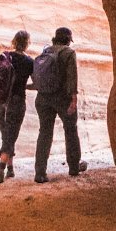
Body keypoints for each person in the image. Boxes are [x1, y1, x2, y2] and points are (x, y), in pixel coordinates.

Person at [32, 25, 86, 182]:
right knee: (70, 131)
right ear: (68, 39)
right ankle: (74, 167)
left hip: (42, 98)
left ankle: (40, 173)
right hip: (62, 98)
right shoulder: (68, 53)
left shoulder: (46, 51)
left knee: (44, 133)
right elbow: (72, 77)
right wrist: (73, 100)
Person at [0, 30, 35, 184]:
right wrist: (25, 86)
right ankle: (1, 168)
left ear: (14, 41)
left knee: (5, 134)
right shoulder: (29, 62)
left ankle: (10, 169)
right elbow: (37, 83)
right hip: (17, 100)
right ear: (27, 43)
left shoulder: (5, 56)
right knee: (11, 135)